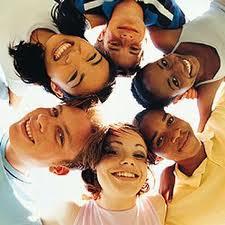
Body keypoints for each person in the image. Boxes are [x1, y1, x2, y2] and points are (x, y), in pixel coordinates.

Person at [134, 84, 225, 225]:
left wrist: (199, 84)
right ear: (157, 157)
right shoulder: (176, 210)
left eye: (170, 121)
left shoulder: (220, 118)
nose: (176, 134)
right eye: (160, 140)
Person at [43, 123, 166, 225]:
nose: (129, 160)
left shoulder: (157, 205)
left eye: (139, 155)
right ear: (94, 164)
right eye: (112, 152)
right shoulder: (69, 214)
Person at [131, 0, 225, 131]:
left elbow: (140, 11)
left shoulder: (165, 40)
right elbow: (204, 132)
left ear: (162, 57)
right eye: (174, 81)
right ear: (179, 96)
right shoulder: (206, 89)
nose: (178, 67)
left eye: (164, 63)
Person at [0, 103, 99, 225]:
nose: (42, 118)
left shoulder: (16, 216)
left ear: (58, 168)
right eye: (54, 112)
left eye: (60, 135)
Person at [3, 0, 115, 106]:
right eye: (91, 57)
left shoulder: (15, 74)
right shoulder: (68, 17)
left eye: (73, 76)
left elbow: (13, 101)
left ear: (56, 88)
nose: (73, 55)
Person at [56, 0, 186, 75]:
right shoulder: (167, 16)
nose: (126, 38)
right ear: (145, 40)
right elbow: (191, 41)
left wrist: (87, 22)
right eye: (134, 48)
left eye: (114, 44)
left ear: (102, 34)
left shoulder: (85, 4)